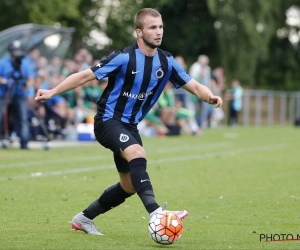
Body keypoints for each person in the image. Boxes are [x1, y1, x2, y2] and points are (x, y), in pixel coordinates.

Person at [35, 8, 223, 236]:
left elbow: (193, 86)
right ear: (139, 32)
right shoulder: (123, 58)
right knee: (137, 153)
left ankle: (84, 218)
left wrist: (209, 95)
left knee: (129, 185)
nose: (158, 32)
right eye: (152, 27)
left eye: (160, 27)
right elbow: (84, 75)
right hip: (108, 121)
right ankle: (157, 214)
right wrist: (53, 91)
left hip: (130, 125)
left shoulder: (167, 61)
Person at [0, 40, 35, 149]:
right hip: (4, 94)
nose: (16, 53)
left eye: (18, 50)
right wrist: (5, 81)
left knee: (22, 118)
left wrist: (26, 85)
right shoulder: (3, 63)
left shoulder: (25, 63)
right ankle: (3, 138)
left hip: (20, 94)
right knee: (1, 116)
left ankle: (24, 142)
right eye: (14, 50)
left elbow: (31, 78)